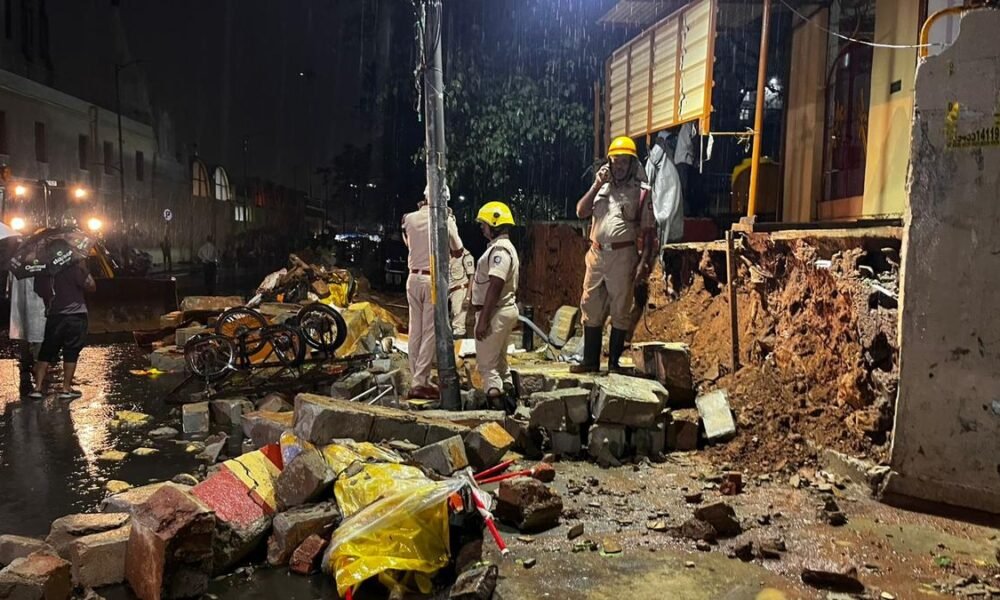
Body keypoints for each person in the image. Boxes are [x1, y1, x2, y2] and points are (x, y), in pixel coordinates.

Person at [572, 136, 656, 374]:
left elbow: (649, 231)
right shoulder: (601, 188)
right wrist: (596, 185)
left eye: (623, 162)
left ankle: (614, 364)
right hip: (596, 254)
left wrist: (643, 263)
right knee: (590, 304)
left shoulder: (641, 192)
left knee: (620, 308)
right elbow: (581, 211)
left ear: (632, 164)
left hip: (623, 256)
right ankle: (590, 361)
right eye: (615, 161)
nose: (618, 166)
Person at [401, 186, 464, 399]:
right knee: (430, 331)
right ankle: (420, 382)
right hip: (432, 281)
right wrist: (450, 222)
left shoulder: (409, 218)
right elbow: (458, 250)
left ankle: (417, 377)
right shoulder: (444, 219)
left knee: (415, 330)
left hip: (412, 278)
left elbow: (408, 243)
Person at [471, 201, 520, 414]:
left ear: (494, 224)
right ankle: (512, 406)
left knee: (487, 366)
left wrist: (483, 320)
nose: (482, 228)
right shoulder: (504, 248)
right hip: (503, 310)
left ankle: (497, 414)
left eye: (484, 224)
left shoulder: (500, 251)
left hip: (496, 312)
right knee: (500, 363)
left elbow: (496, 284)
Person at [30, 259, 96, 399]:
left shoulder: (43, 271)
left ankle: (37, 388)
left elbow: (40, 291)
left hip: (54, 316)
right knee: (71, 351)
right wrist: (84, 268)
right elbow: (91, 286)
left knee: (46, 351)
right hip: (76, 315)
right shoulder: (74, 268)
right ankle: (66, 389)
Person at [2, 223, 46, 395]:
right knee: (39, 336)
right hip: (38, 305)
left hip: (19, 305)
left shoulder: (15, 263)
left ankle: (26, 364)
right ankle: (38, 365)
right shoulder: (43, 263)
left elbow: (8, 287)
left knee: (23, 334)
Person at [448, 247, 475, 338]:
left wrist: (468, 297)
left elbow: (471, 276)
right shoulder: (447, 255)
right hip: (449, 291)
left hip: (460, 289)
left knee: (458, 324)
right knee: (452, 320)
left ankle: (460, 341)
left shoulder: (466, 256)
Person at [674, 121, 698, 216]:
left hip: (686, 160)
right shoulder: (688, 125)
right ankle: (683, 211)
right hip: (683, 160)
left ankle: (686, 210)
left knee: (686, 187)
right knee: (684, 188)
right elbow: (688, 143)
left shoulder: (692, 126)